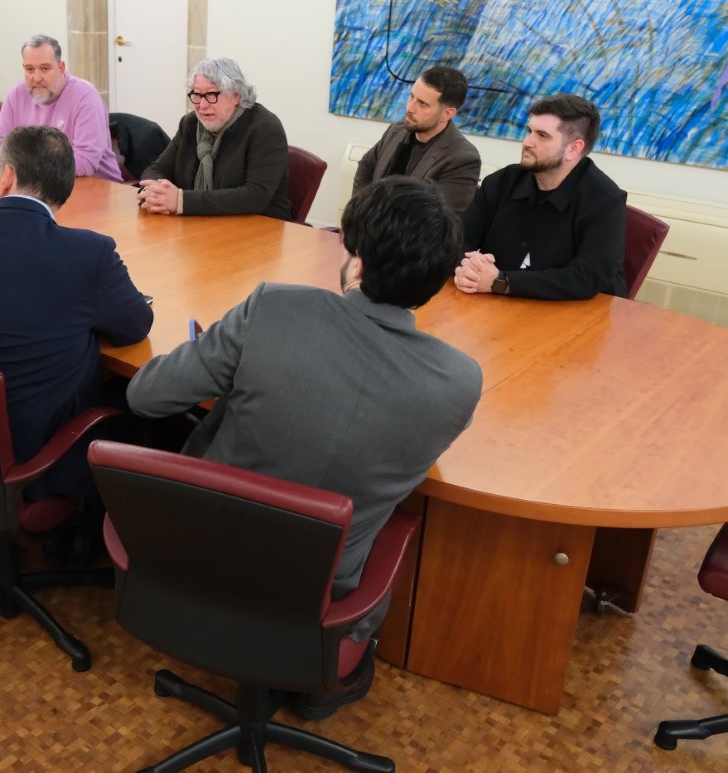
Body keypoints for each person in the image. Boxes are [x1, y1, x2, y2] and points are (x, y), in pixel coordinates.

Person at [126, 176, 482, 718]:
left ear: (357, 265)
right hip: (321, 595)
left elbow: (146, 397)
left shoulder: (274, 308)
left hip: (197, 553)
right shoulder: (460, 380)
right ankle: (318, 681)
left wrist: (223, 357)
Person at [0, 124, 152, 518]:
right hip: (29, 459)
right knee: (135, 401)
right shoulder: (88, 254)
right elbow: (135, 325)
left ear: (5, 177)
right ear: (65, 190)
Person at [456, 94, 627, 300]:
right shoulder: (500, 183)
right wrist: (467, 268)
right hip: (501, 305)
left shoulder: (605, 201)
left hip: (576, 316)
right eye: (529, 131)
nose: (528, 142)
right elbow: (457, 243)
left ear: (573, 148)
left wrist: (502, 282)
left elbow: (587, 278)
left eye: (542, 135)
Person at [139, 57, 291, 220]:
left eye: (211, 95)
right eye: (197, 95)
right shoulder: (190, 124)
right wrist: (156, 192)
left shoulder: (264, 128)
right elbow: (157, 168)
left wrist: (181, 201)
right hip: (202, 223)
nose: (202, 105)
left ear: (236, 96)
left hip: (259, 226)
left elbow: (255, 196)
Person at [0, 34, 122, 182]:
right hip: (40, 187)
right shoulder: (16, 94)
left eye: (45, 68)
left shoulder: (85, 96)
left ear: (60, 68)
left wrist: (25, 167)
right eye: (30, 69)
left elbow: (85, 162)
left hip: (97, 188)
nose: (36, 78)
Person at [351, 65, 482, 212]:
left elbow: (439, 219)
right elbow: (366, 167)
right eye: (411, 96)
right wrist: (360, 214)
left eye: (423, 104)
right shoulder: (396, 130)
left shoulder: (463, 158)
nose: (410, 108)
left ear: (447, 114)